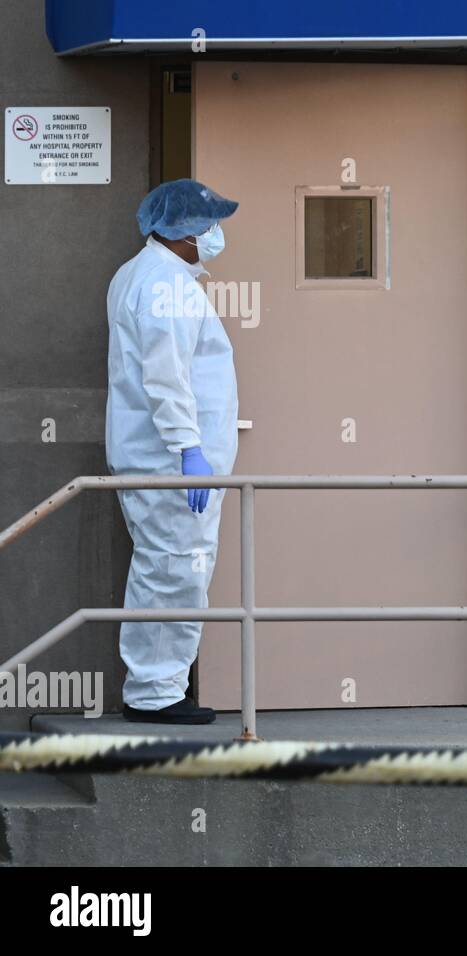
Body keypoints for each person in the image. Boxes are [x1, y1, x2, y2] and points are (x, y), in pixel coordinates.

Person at [106, 179, 239, 724]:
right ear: (183, 231)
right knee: (174, 572)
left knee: (165, 568)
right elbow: (166, 377)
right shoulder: (166, 285)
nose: (215, 235)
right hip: (168, 461)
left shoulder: (144, 275)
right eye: (209, 225)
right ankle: (156, 694)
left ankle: (159, 687)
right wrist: (189, 448)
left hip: (158, 457)